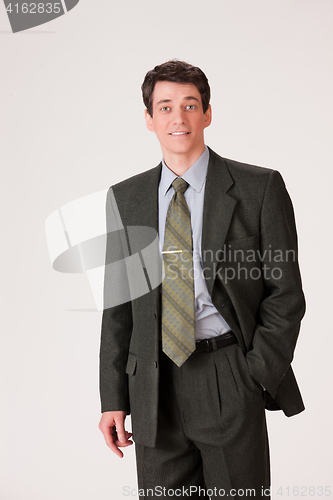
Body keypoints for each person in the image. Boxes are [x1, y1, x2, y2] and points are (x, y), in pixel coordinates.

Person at [98, 60, 306, 499]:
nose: (178, 117)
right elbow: (118, 307)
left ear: (207, 114)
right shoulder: (125, 198)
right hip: (153, 384)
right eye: (166, 106)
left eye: (190, 105)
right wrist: (112, 397)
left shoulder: (259, 188)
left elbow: (285, 294)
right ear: (149, 119)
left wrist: (255, 375)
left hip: (228, 373)